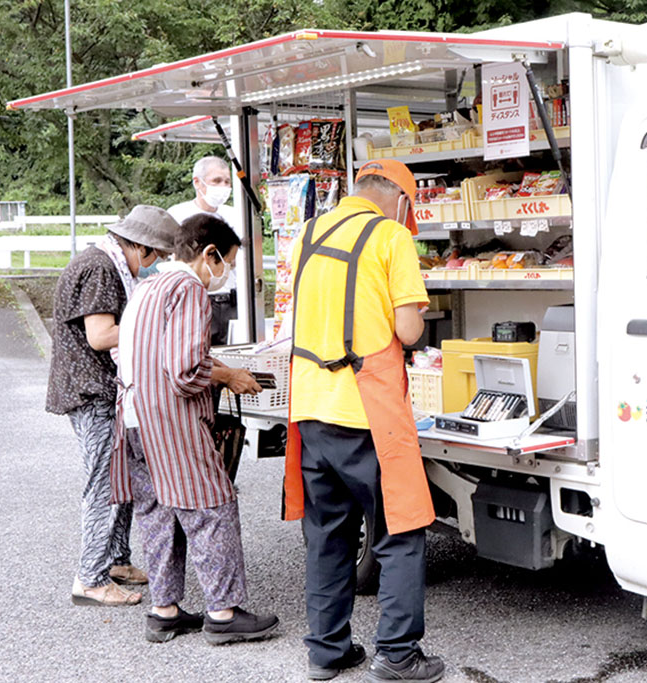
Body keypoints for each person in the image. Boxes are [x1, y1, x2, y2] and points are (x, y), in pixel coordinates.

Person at [284, 159, 444, 682]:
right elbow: (409, 329)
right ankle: (397, 655)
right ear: (399, 199)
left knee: (329, 533)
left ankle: (327, 653)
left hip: (310, 409)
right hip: (367, 411)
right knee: (401, 531)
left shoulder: (307, 233)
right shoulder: (391, 237)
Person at [110, 213, 279, 645]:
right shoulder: (188, 289)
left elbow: (155, 354)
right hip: (170, 421)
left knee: (157, 513)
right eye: (228, 262)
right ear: (210, 254)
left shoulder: (147, 286)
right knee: (212, 507)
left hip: (132, 418)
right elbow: (184, 371)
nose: (226, 274)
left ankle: (163, 610)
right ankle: (223, 614)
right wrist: (226, 377)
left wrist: (220, 367)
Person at [45, 204, 178, 607]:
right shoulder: (102, 268)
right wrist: (157, 326)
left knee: (121, 478)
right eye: (159, 256)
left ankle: (117, 560)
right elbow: (101, 335)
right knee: (103, 483)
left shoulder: (102, 260)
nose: (157, 266)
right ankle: (90, 578)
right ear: (140, 247)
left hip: (99, 388)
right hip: (92, 391)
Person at [166, 155, 241, 344]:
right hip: (198, 297)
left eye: (226, 182)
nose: (223, 187)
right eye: (216, 181)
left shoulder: (235, 215)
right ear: (197, 182)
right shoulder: (178, 214)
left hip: (232, 299)